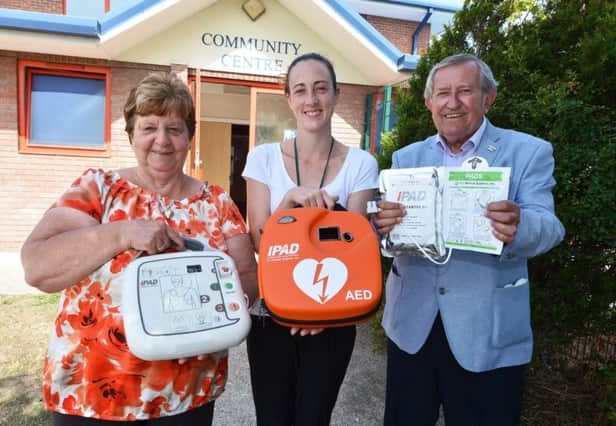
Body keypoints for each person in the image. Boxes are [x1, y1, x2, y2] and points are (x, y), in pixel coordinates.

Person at [21, 72, 258, 425]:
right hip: (92, 393)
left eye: (174, 129)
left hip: (185, 396)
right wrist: (122, 234)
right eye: (149, 127)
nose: (161, 140)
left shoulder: (217, 203)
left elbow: (247, 281)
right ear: (132, 134)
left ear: (189, 137)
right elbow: (37, 266)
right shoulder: (97, 189)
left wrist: (208, 314)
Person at [373, 53, 565, 425]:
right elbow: (388, 238)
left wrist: (519, 225)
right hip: (411, 328)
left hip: (487, 332)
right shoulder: (406, 158)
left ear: (488, 98)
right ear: (429, 103)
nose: (453, 102)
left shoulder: (528, 153)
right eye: (442, 93)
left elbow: (550, 227)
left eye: (465, 91)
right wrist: (381, 226)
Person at [242, 52, 379, 425]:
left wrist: (322, 311)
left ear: (336, 94)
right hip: (271, 312)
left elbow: (357, 249)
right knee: (271, 418)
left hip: (332, 317)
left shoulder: (361, 164)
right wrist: (287, 204)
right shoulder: (263, 159)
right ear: (288, 98)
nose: (311, 100)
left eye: (320, 89)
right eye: (300, 90)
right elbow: (259, 241)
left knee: (314, 418)